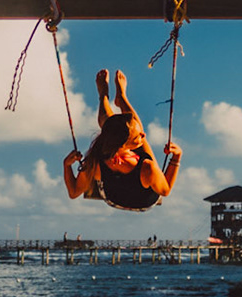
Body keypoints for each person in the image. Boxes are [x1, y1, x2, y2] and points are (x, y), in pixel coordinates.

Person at [63, 68, 182, 211]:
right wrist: (176, 157)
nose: (143, 136)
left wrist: (67, 165)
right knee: (129, 128)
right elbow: (166, 190)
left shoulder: (94, 161)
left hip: (111, 196)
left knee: (113, 126)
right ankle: (121, 99)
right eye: (138, 137)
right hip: (144, 202)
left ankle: (103, 97)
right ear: (124, 144)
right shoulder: (147, 168)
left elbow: (74, 192)